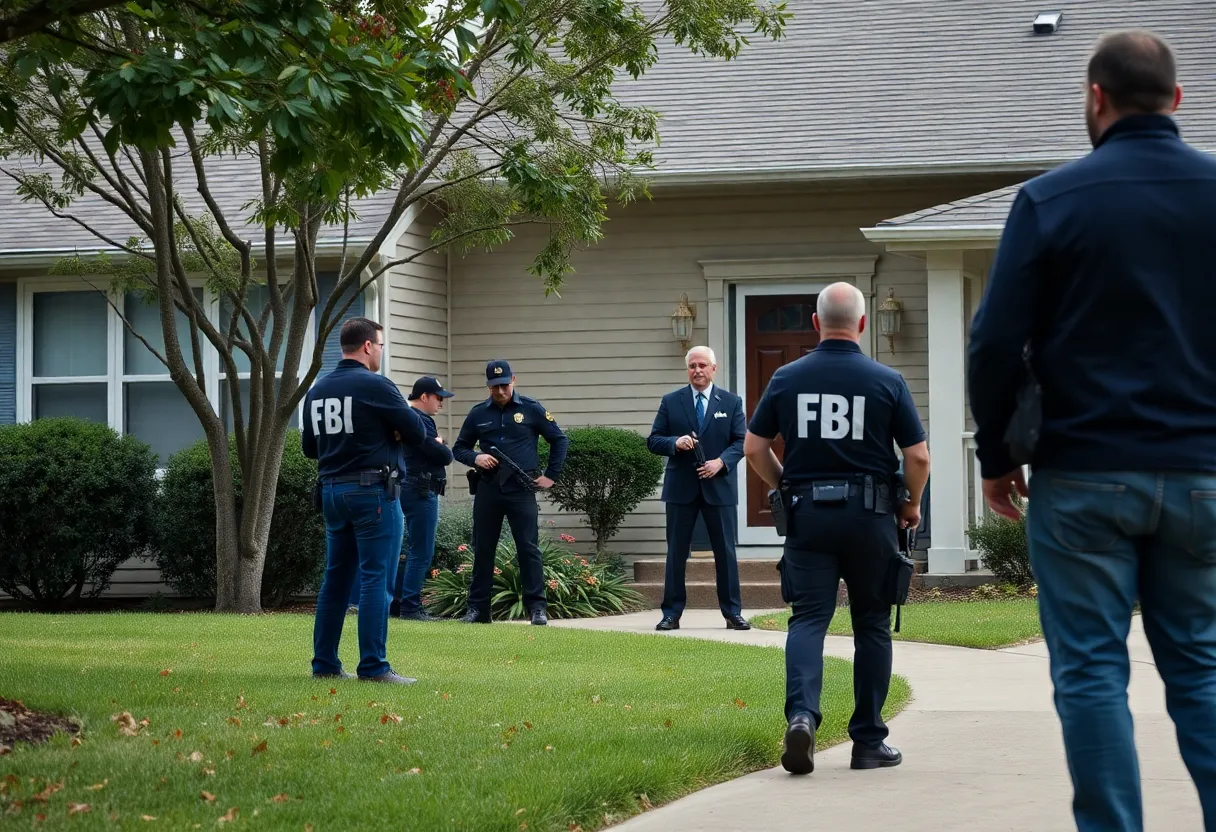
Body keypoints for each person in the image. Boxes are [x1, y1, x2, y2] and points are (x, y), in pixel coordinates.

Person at [969, 30, 1216, 832]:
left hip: (1081, 476)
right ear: (1177, 100)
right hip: (1203, 473)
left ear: (1096, 98)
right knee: (1205, 672)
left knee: (1091, 675)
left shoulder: (1050, 201)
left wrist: (998, 456)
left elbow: (995, 343)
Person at [743, 282, 929, 776]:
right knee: (871, 625)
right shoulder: (887, 380)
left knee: (808, 621)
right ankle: (868, 741)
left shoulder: (786, 378)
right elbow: (918, 456)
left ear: (815, 323)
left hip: (809, 518)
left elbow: (754, 449)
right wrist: (909, 504)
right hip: (871, 519)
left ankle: (802, 717)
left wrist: (785, 488)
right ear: (863, 324)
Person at [302, 317, 425, 685]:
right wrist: (392, 431)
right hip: (372, 493)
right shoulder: (377, 386)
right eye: (381, 346)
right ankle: (373, 667)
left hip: (331, 493)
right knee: (376, 579)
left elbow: (311, 448)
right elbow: (418, 432)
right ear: (368, 346)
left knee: (336, 580)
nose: (381, 353)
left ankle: (324, 663)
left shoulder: (317, 390)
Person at [451, 359, 569, 625]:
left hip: (521, 488)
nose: (500, 391)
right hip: (488, 488)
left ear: (513, 380)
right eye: (495, 387)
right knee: (483, 549)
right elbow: (459, 448)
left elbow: (559, 439)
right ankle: (478, 610)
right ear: (488, 386)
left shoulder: (531, 409)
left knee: (528, 548)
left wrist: (551, 476)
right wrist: (476, 458)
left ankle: (537, 608)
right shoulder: (478, 413)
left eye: (504, 385)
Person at [647, 346, 749, 631]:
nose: (697, 371)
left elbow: (741, 442)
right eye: (692, 366)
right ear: (687, 369)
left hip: (719, 488)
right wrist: (674, 443)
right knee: (676, 553)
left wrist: (721, 463)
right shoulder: (672, 401)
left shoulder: (730, 402)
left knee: (725, 553)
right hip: (681, 489)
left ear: (714, 368)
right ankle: (671, 614)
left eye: (703, 365)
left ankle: (732, 613)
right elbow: (653, 439)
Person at [391, 376, 455, 621]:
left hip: (407, 486)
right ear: (425, 397)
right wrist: (441, 445)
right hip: (421, 489)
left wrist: (439, 444)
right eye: (438, 397)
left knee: (405, 549)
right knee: (421, 550)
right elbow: (442, 455)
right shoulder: (421, 420)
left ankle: (398, 604)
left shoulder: (407, 418)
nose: (441, 403)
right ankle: (410, 607)